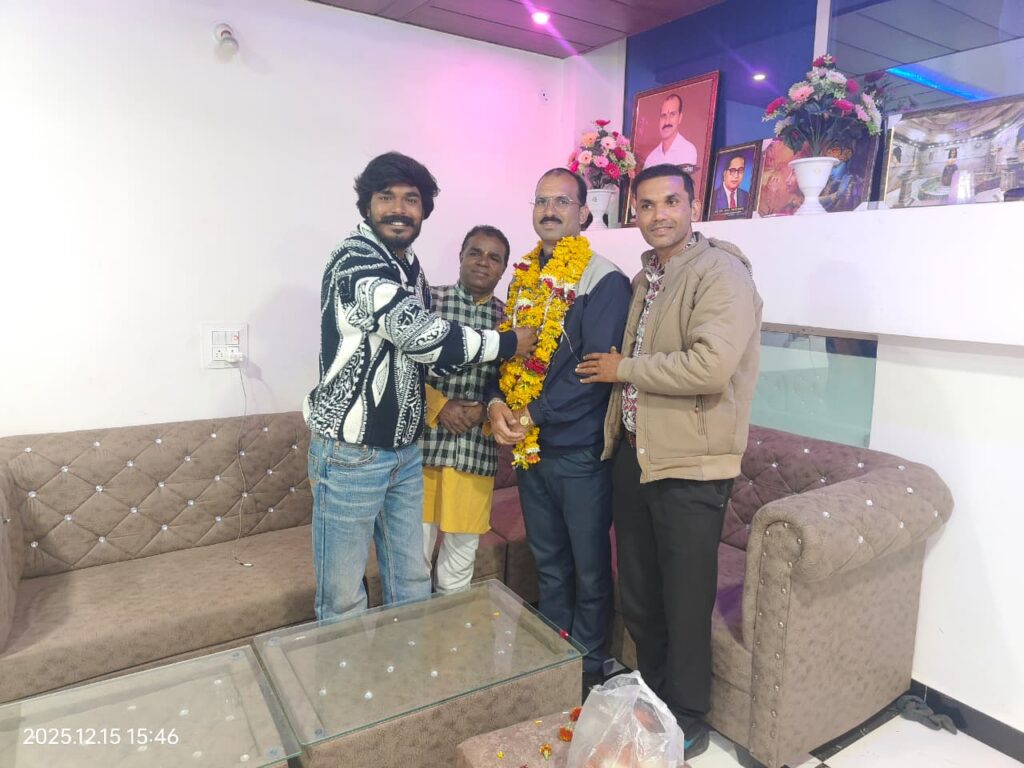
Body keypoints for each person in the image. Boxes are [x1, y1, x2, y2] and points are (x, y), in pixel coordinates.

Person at [575, 163, 763, 758]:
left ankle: (688, 716)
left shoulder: (721, 272)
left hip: (692, 464)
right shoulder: (645, 276)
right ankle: (654, 697)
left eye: (671, 202)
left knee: (683, 598)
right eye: (648, 205)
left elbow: (710, 365)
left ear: (692, 207)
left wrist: (623, 369)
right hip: (638, 455)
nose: (659, 215)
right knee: (639, 591)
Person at [303, 152, 535, 622]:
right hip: (351, 450)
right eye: (385, 197)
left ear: (424, 209)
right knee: (343, 599)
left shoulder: (408, 265)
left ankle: (406, 665)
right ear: (367, 204)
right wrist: (510, 342)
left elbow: (423, 358)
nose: (398, 209)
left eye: (411, 199)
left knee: (410, 582)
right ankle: (348, 672)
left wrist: (487, 400)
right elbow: (423, 338)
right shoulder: (358, 260)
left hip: (406, 451)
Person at [488, 168, 631, 691]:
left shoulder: (604, 279)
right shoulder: (523, 278)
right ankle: (552, 657)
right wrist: (498, 402)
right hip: (530, 449)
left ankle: (587, 668)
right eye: (541, 201)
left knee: (589, 567)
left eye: (562, 202)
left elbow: (592, 372)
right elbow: (509, 353)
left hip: (579, 451)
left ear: (584, 212)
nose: (550, 210)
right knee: (548, 561)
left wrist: (532, 414)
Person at [421, 225, 511, 594]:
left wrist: (485, 411)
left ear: (503, 269)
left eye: (494, 258)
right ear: (461, 256)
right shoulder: (429, 302)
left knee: (457, 568)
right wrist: (439, 405)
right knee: (412, 561)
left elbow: (513, 382)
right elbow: (398, 368)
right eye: (475, 252)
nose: (483, 262)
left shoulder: (508, 321)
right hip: (422, 450)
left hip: (475, 453)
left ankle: (448, 631)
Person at [644, 94, 698, 168]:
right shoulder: (651, 158)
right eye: (663, 115)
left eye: (672, 114)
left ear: (680, 118)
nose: (667, 122)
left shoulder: (688, 150)